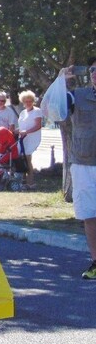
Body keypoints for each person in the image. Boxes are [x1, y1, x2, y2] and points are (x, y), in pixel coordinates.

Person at [62, 59, 96, 280]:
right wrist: (61, 83)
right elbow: (54, 107)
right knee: (89, 215)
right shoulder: (79, 95)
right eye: (93, 70)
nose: (95, 74)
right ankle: (95, 261)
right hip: (84, 164)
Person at [17, 90, 44, 187]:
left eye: (30, 101)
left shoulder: (37, 111)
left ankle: (31, 182)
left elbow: (38, 126)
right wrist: (17, 131)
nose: (28, 103)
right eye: (26, 101)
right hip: (23, 139)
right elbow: (21, 126)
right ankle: (23, 180)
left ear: (33, 101)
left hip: (32, 138)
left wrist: (26, 132)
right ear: (23, 102)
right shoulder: (23, 113)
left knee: (27, 158)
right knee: (21, 159)